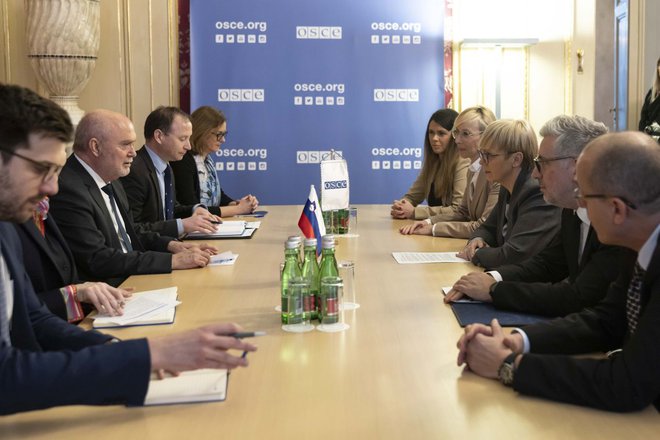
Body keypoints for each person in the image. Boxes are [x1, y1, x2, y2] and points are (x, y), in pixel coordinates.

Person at [0, 83, 256, 415]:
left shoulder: (6, 219)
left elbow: (30, 315)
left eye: (56, 171)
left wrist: (121, 351)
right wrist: (146, 357)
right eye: (41, 169)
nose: (53, 187)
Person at [456, 131, 660, 412]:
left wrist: (509, 365)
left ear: (617, 210)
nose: (581, 206)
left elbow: (627, 384)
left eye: (585, 196)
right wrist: (516, 341)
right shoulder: (636, 242)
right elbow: (604, 321)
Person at [446, 115, 624, 316]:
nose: (535, 174)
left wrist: (494, 289)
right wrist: (494, 278)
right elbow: (547, 264)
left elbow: (577, 296)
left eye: (543, 163)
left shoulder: (617, 225)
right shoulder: (571, 211)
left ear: (577, 167)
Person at [49, 109, 215, 287]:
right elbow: (97, 259)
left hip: (132, 278)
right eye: (125, 145)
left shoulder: (112, 178)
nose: (133, 152)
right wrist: (172, 261)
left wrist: (172, 246)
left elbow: (131, 232)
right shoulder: (68, 189)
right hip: (109, 292)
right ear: (95, 147)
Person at [457, 119, 561, 268]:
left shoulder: (536, 192)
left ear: (516, 159)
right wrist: (476, 240)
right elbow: (486, 228)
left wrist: (476, 254)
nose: (481, 162)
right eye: (481, 154)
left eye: (488, 155)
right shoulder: (507, 187)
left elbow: (514, 254)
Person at [14, 197, 131, 321]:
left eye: (55, 176)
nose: (54, 189)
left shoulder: (41, 208)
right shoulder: (12, 219)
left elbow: (62, 277)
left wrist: (88, 291)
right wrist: (73, 294)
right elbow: (15, 309)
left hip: (62, 324)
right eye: (42, 176)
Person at [399, 106, 499, 238]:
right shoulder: (473, 169)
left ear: (485, 136)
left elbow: (483, 226)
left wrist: (433, 228)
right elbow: (462, 212)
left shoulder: (496, 174)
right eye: (456, 133)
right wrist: (428, 222)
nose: (457, 140)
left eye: (465, 134)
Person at [120, 106, 219, 238]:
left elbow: (170, 210)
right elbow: (133, 229)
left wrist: (196, 209)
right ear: (159, 136)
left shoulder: (166, 167)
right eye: (183, 139)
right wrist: (181, 226)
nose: (188, 146)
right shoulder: (134, 170)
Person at [170, 106, 258, 217]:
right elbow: (193, 208)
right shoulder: (183, 160)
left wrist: (239, 204)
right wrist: (238, 209)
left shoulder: (206, 159)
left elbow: (217, 196)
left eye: (224, 134)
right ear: (202, 132)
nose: (223, 140)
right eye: (219, 135)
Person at [390, 109, 470, 220]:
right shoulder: (433, 163)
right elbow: (412, 197)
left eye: (441, 133)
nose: (434, 138)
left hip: (450, 233)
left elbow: (457, 210)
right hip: (433, 230)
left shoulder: (462, 162)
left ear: (454, 136)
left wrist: (415, 212)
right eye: (431, 132)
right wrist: (401, 207)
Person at [638, 56, 660, 136]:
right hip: (646, 136)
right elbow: (643, 115)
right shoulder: (652, 92)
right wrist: (641, 133)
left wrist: (648, 131)